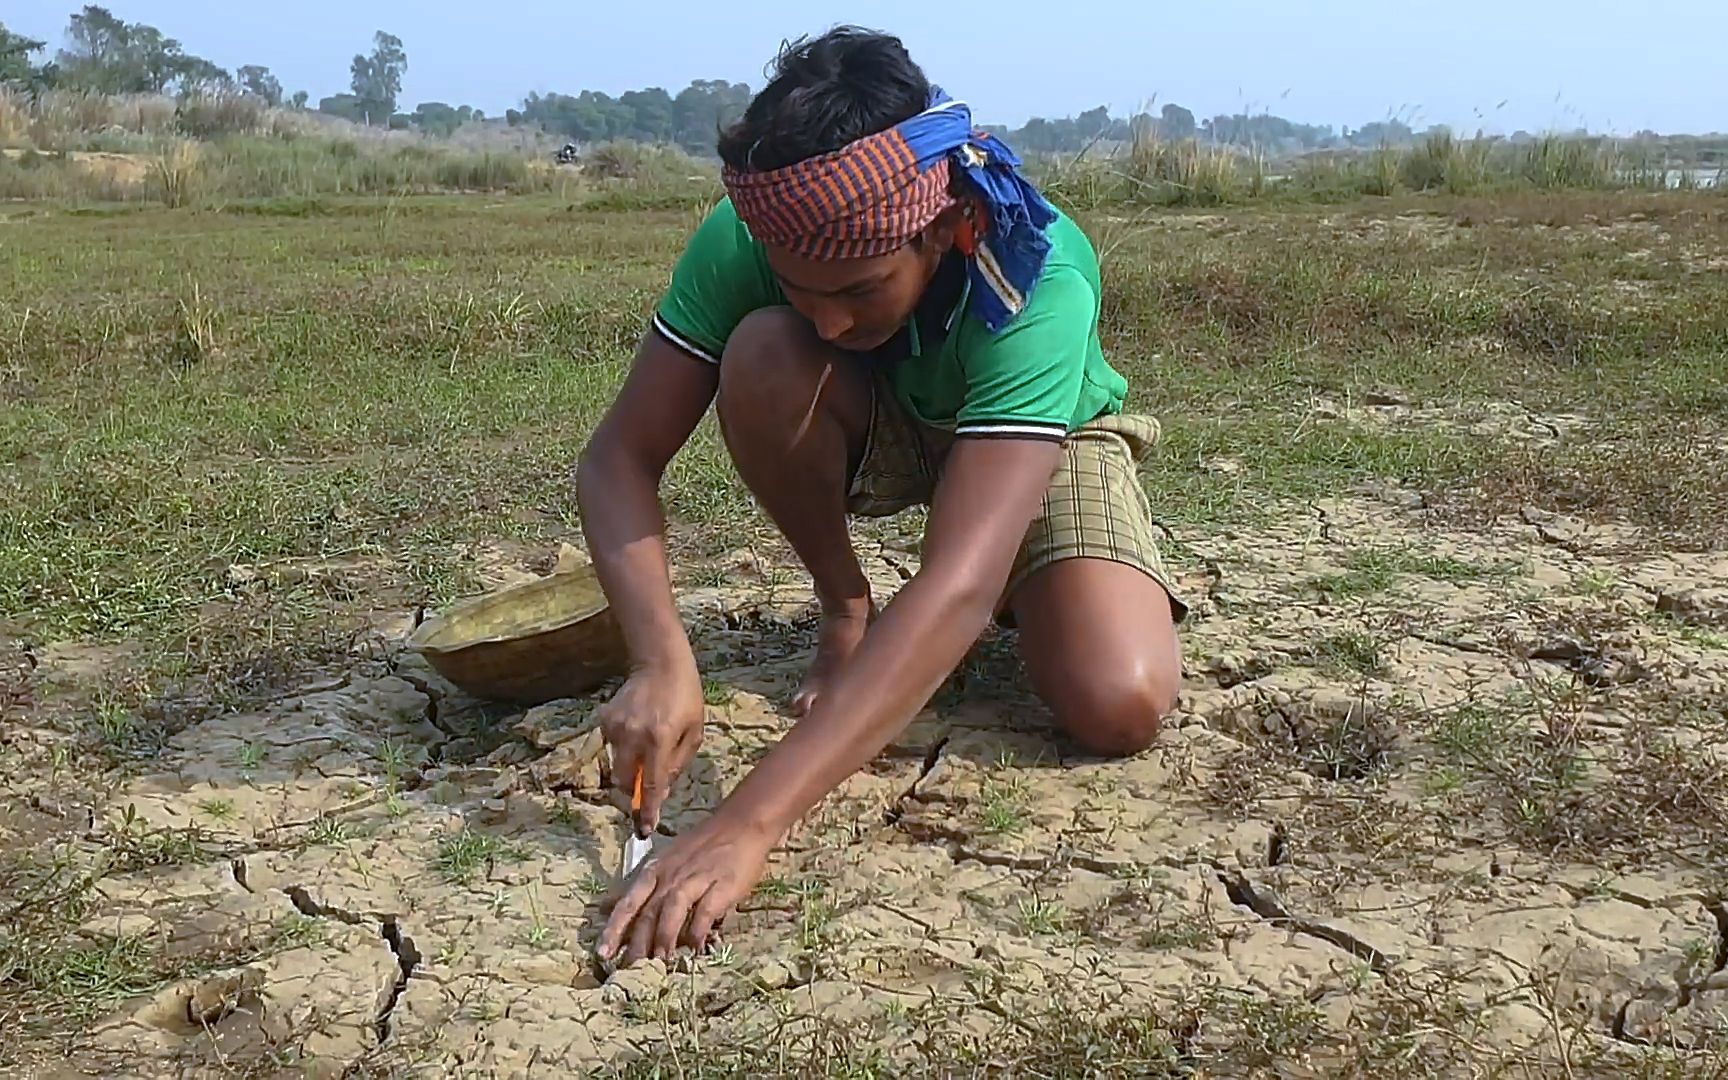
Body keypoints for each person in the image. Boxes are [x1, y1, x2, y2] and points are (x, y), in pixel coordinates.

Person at [577, 25, 1187, 967]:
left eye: (861, 289)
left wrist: (748, 822)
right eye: (799, 286)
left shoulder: (1034, 268)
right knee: (767, 355)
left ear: (943, 229)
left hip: (1044, 441)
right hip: (885, 417)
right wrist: (659, 659)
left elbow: (957, 583)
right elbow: (617, 459)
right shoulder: (752, 233)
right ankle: (848, 608)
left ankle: (1037, 580)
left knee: (1120, 699)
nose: (828, 316)